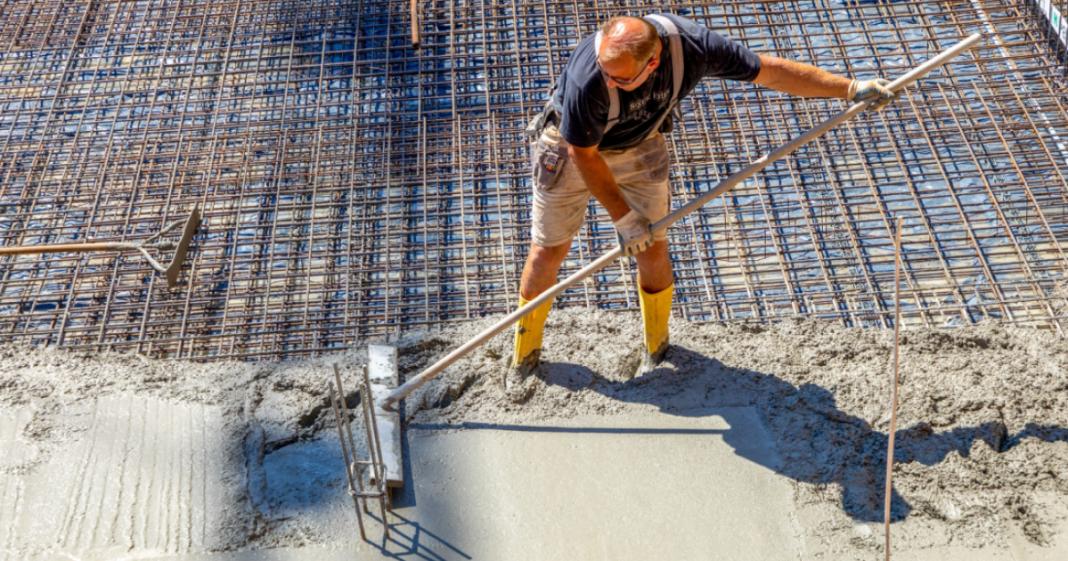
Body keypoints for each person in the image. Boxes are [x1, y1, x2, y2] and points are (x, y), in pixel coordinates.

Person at [511, 13, 897, 383]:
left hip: (639, 143)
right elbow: (585, 156)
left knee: (653, 247)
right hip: (569, 147)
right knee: (548, 251)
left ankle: (656, 351)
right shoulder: (589, 79)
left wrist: (848, 88)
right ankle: (524, 357)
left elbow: (770, 71)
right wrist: (625, 220)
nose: (609, 83)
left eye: (621, 79)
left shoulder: (695, 47)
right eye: (607, 73)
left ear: (654, 62)